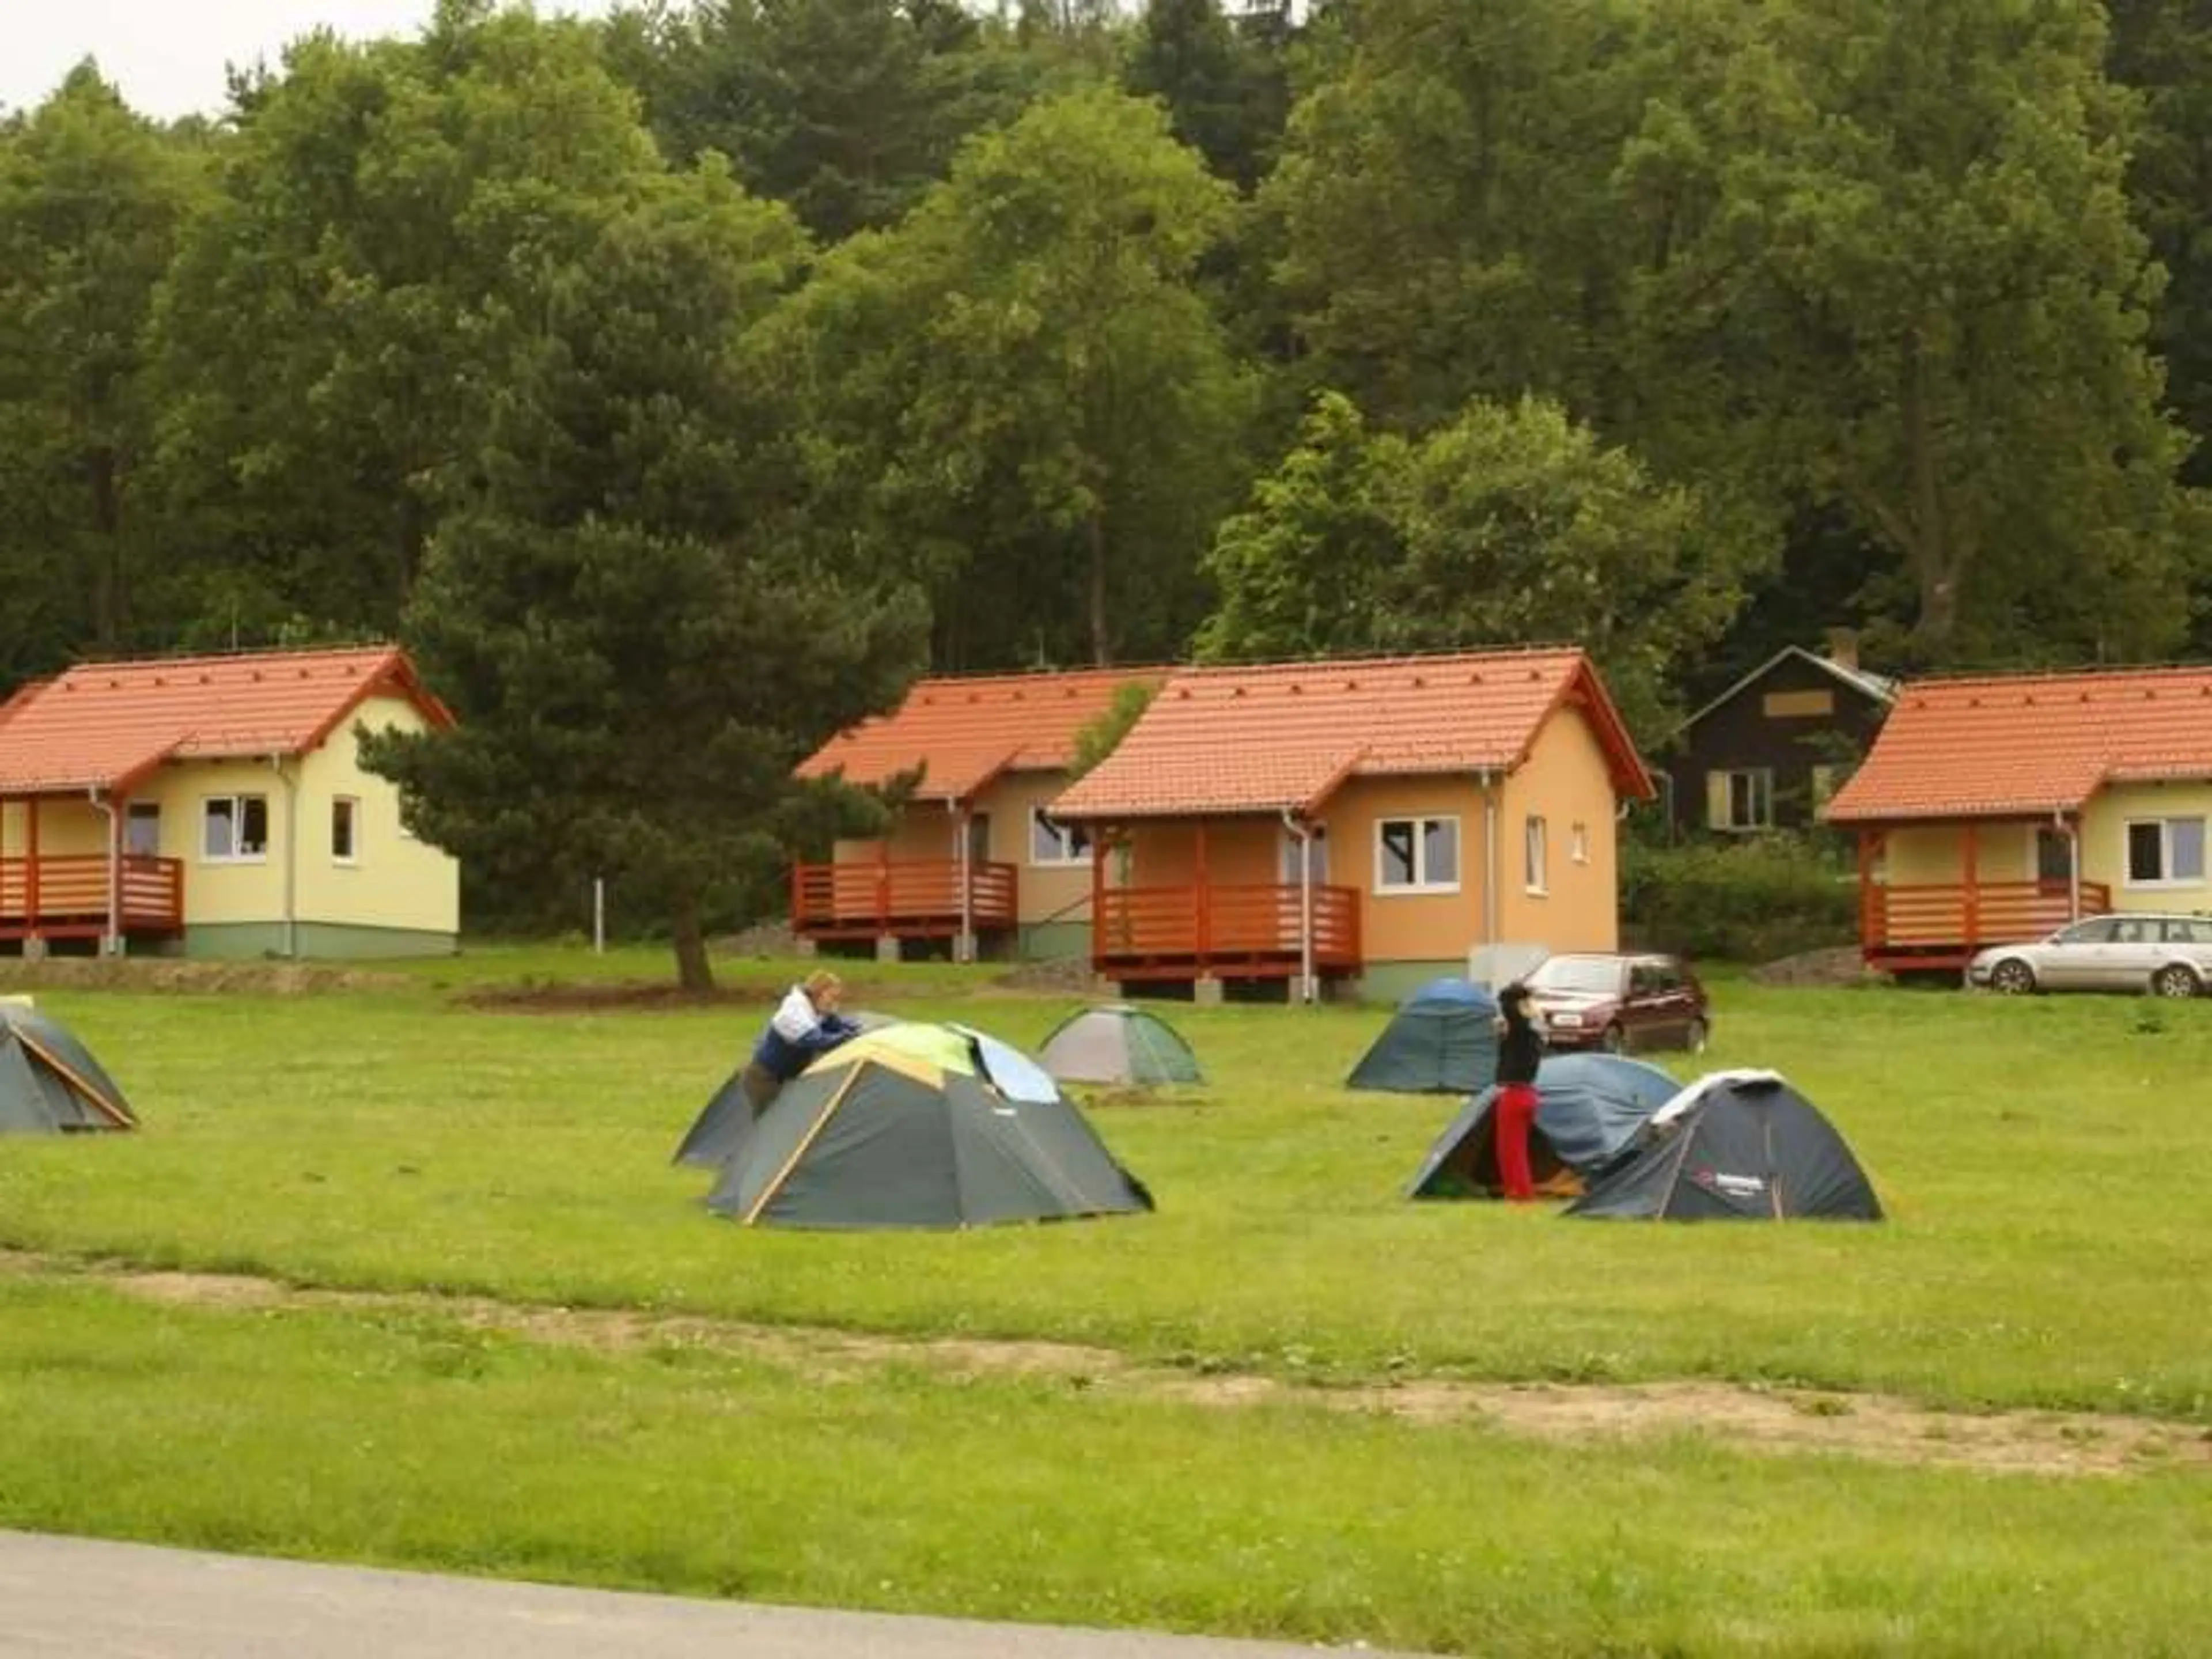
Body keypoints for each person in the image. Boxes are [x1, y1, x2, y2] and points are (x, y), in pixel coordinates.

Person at [741, 969, 861, 1118]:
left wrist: (848, 1028)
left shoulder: (816, 1008)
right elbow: (817, 1041)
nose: (835, 1002)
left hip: (787, 1077)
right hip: (765, 1079)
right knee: (773, 1123)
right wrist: (845, 1037)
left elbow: (834, 1024)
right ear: (818, 993)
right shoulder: (794, 1010)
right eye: (832, 997)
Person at [1492, 982, 1544, 1202]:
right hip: (1530, 1094)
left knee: (1510, 1151)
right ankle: (1519, 1192)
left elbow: (1506, 1001)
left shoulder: (1520, 1030)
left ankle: (1520, 1195)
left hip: (1514, 1095)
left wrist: (1520, 992)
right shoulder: (1534, 1034)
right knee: (1518, 1149)